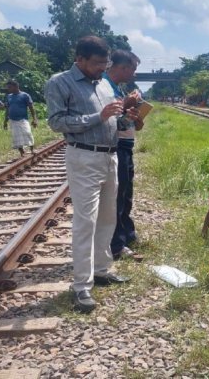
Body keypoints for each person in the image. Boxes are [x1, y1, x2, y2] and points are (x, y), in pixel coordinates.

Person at [46, 36, 134, 313]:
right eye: (97, 63)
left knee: (108, 217)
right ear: (80, 59)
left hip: (110, 155)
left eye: (104, 63)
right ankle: (81, 286)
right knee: (86, 221)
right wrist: (98, 116)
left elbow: (113, 119)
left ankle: (102, 269)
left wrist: (127, 112)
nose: (101, 68)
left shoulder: (105, 84)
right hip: (83, 156)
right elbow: (56, 122)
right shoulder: (60, 82)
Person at [103, 50, 145, 261]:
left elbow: (123, 121)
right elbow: (106, 117)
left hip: (126, 145)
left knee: (126, 194)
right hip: (116, 146)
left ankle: (126, 235)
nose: (134, 75)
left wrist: (136, 117)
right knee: (118, 197)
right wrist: (127, 105)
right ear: (122, 67)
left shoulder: (116, 88)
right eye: (133, 70)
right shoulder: (103, 86)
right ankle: (116, 244)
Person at [3, 79, 38, 157]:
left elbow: (31, 107)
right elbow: (7, 109)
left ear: (16, 86)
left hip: (23, 119)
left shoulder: (25, 95)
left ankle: (32, 149)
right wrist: (5, 121)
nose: (8, 89)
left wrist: (34, 119)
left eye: (9, 87)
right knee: (16, 137)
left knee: (27, 133)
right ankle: (22, 153)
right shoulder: (9, 96)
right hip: (13, 120)